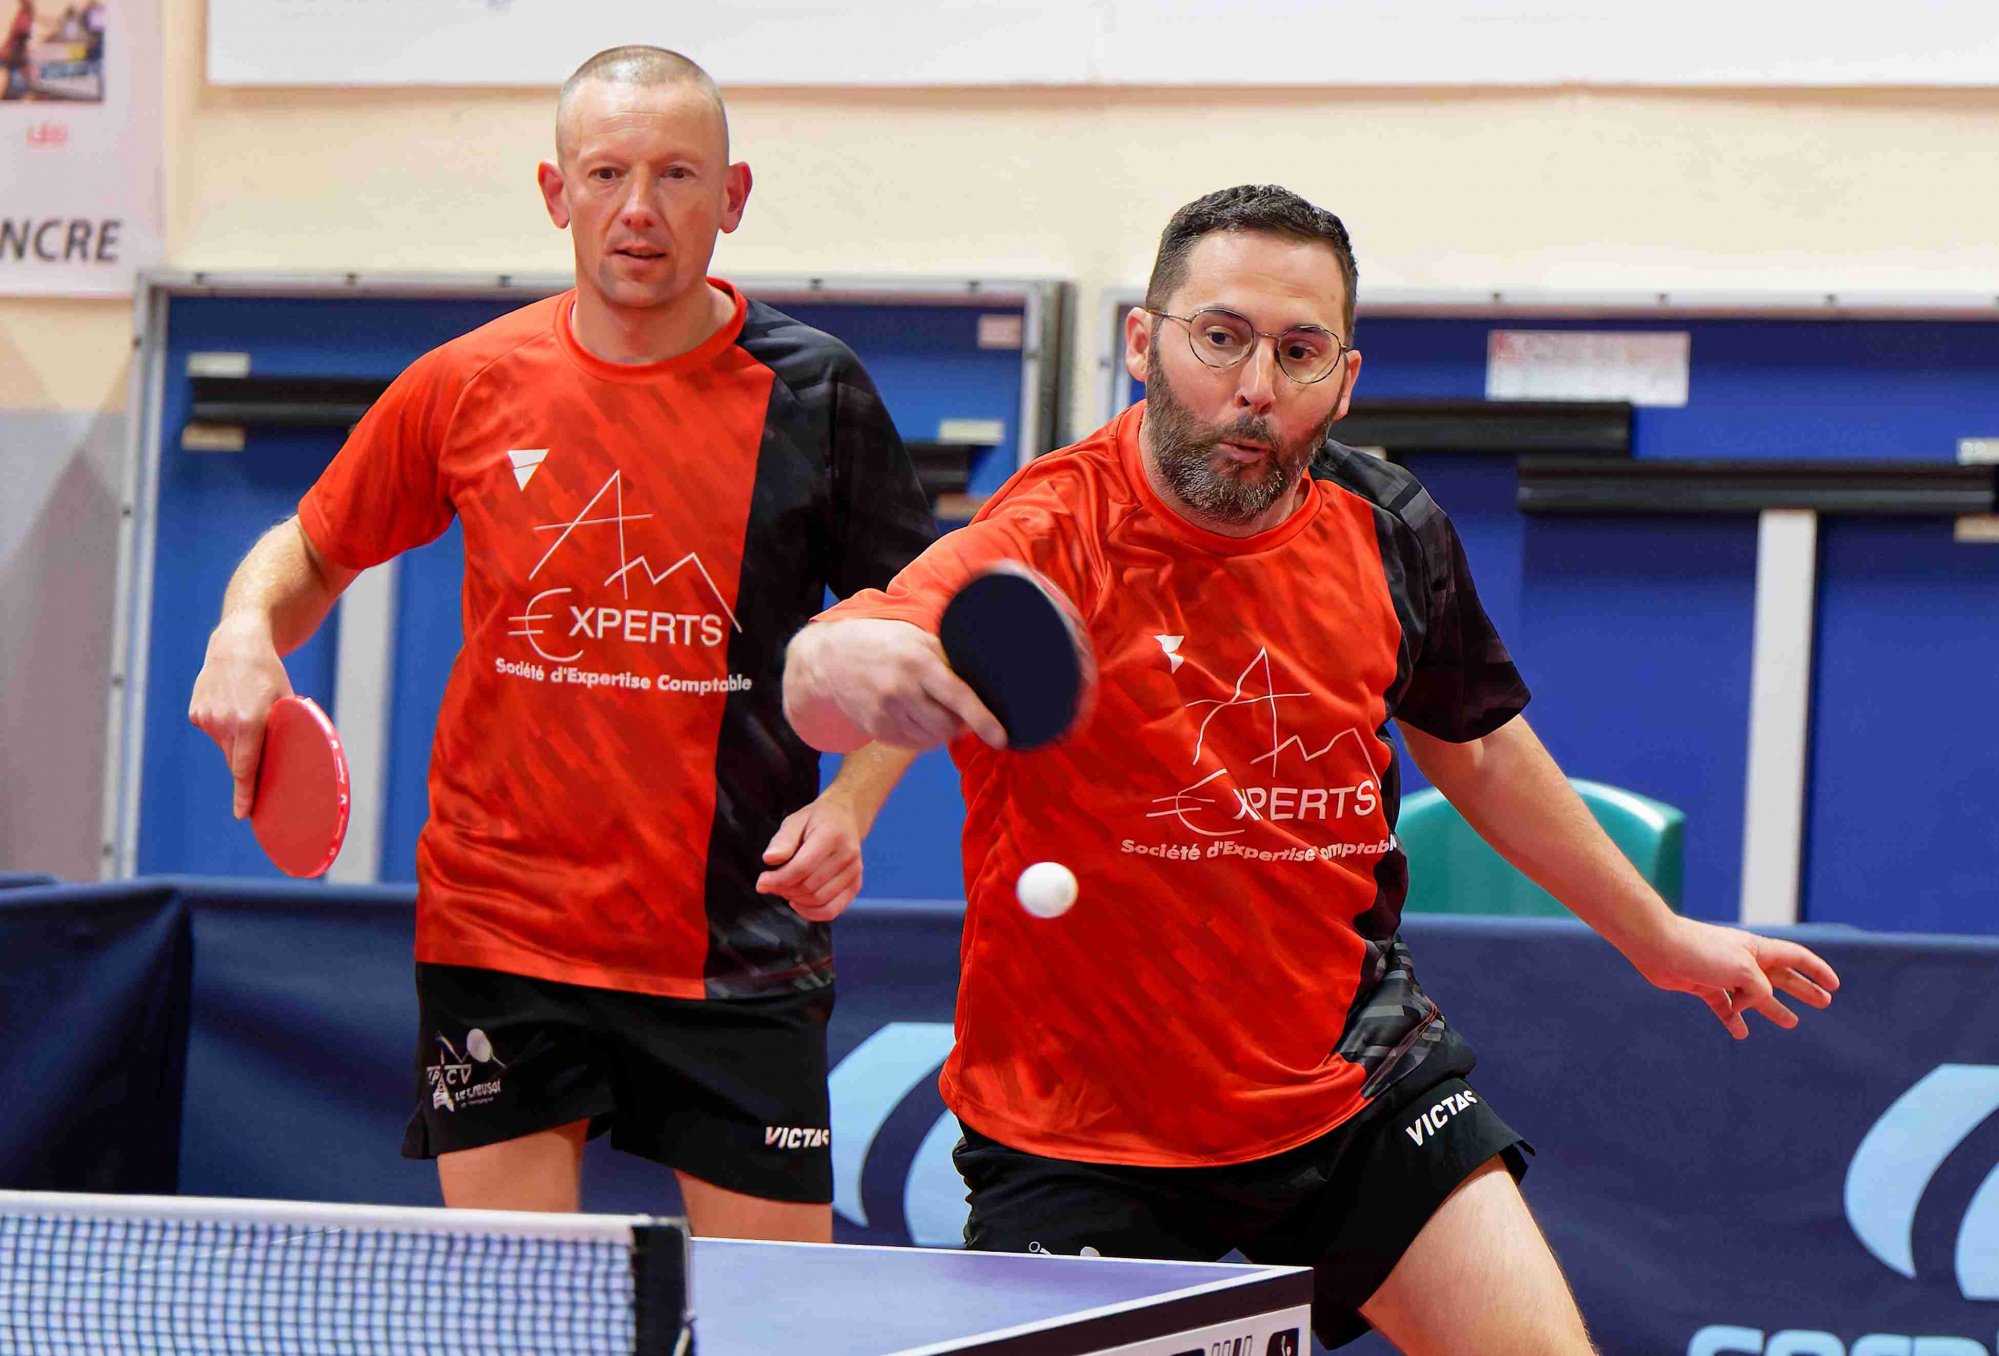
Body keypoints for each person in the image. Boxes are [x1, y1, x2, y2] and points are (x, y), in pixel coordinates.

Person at [781, 184, 1841, 1352]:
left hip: (1353, 1079)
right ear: (1142, 342)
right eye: (1219, 337)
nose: (1255, 386)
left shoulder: (1387, 527)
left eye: (1298, 352)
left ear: (1342, 377)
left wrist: (1657, 937)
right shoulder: (1047, 530)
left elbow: (1477, 747)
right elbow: (827, 678)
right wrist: (843, 662)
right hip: (1082, 1129)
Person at [188, 46, 933, 1240]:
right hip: (502, 932)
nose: (639, 209)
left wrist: (851, 804)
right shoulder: (468, 382)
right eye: (605, 173)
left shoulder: (814, 392)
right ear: (556, 193)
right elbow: (313, 549)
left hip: (735, 936)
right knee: (513, 1307)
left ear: (732, 197)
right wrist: (242, 629)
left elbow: (918, 624)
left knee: (775, 1315)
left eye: (677, 174)